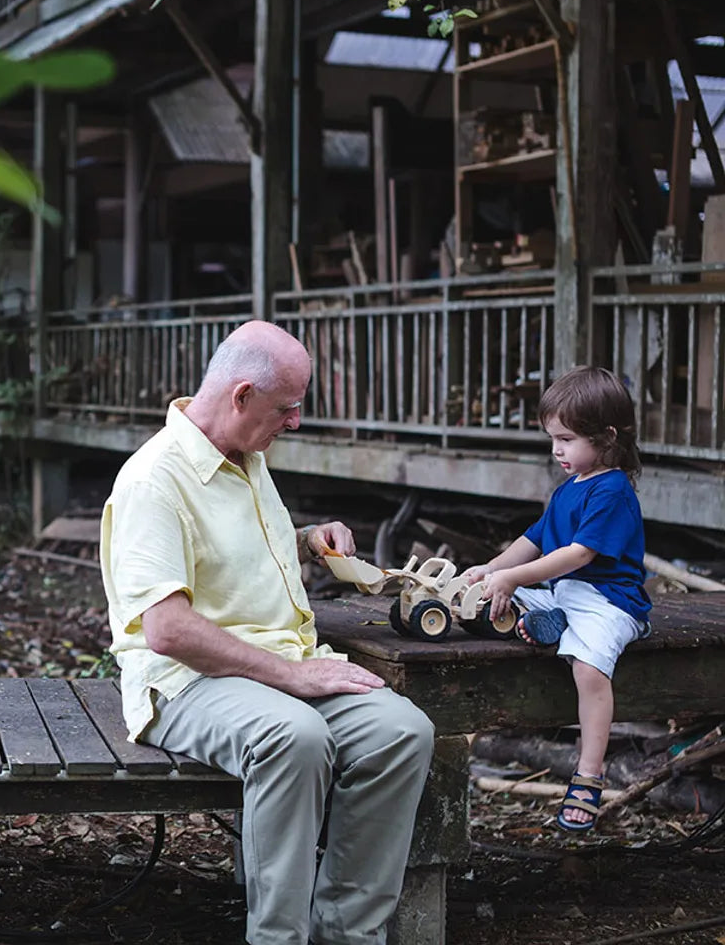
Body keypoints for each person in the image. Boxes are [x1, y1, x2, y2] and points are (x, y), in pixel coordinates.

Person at [100, 320, 435, 945]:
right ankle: (277, 938)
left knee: (403, 731)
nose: (296, 422)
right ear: (242, 394)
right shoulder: (154, 480)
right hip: (185, 681)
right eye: (288, 407)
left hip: (278, 664)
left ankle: (348, 934)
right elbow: (169, 631)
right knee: (296, 736)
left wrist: (309, 540)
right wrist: (295, 677)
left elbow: (230, 549)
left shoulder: (245, 453)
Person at [464, 366, 651, 832]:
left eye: (566, 439)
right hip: (565, 591)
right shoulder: (569, 488)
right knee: (497, 598)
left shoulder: (612, 490)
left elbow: (577, 555)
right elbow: (534, 539)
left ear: (606, 436)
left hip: (609, 600)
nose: (556, 450)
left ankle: (589, 774)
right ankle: (548, 622)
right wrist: (492, 570)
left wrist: (512, 579)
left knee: (589, 668)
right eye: (552, 439)